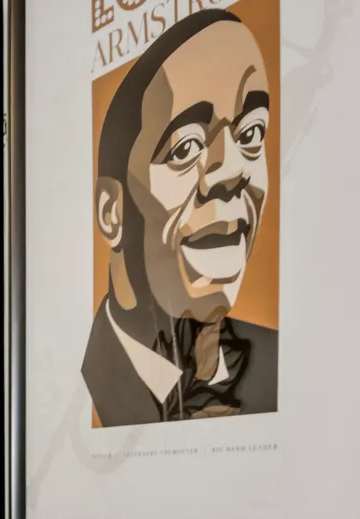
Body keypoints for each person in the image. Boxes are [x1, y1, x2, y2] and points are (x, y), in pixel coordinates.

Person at [82, 8, 279, 427]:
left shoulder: (283, 367)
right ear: (111, 213)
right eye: (185, 147)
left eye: (250, 134)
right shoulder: (79, 386)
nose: (233, 170)